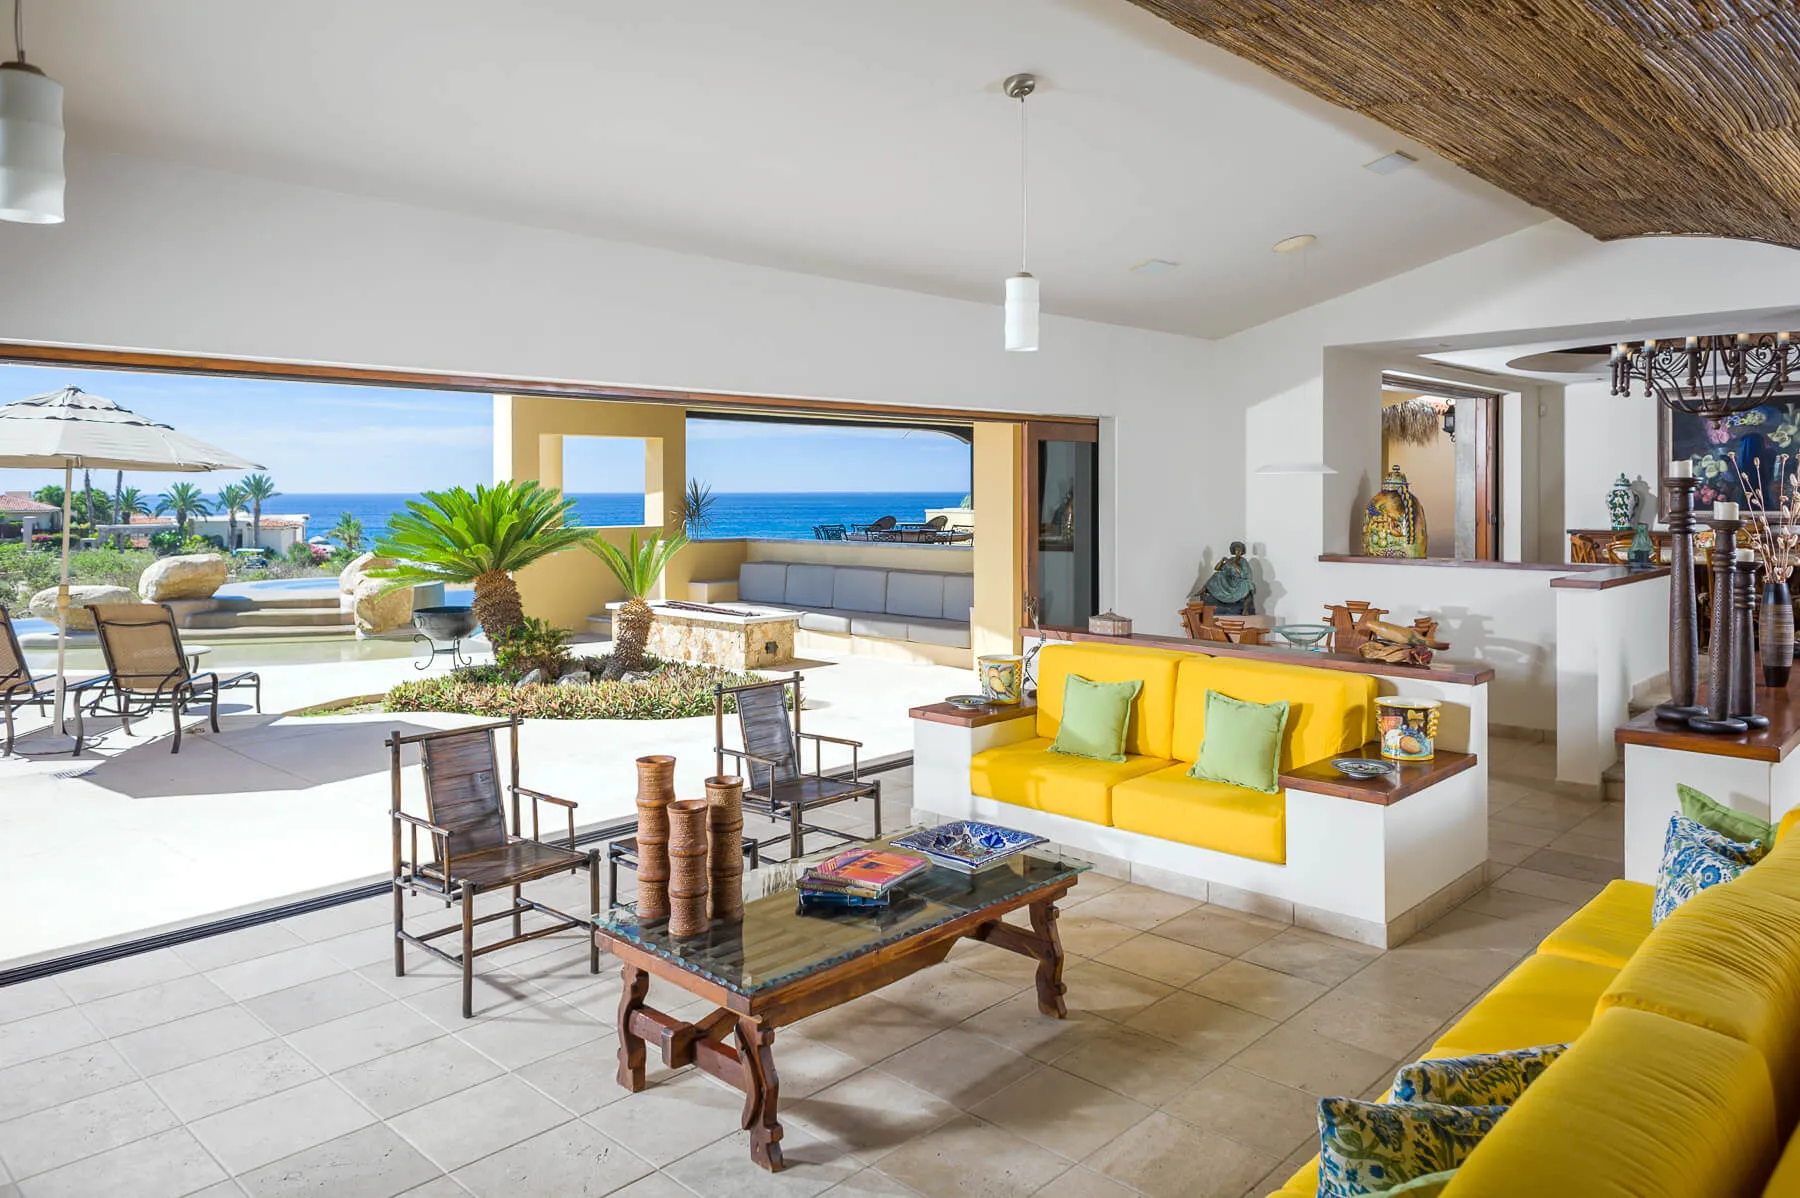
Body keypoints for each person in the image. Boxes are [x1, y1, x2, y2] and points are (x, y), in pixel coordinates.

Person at [1192, 541, 1256, 616]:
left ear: (1242, 552)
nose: (1238, 552)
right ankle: (1204, 589)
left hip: (1238, 582)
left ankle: (1245, 609)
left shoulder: (1243, 561)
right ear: (1233, 551)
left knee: (1247, 585)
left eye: (1239, 550)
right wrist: (1222, 561)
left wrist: (1232, 563)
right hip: (1229, 581)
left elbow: (1242, 573)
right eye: (1236, 550)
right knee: (1218, 574)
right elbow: (1217, 569)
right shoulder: (1231, 559)